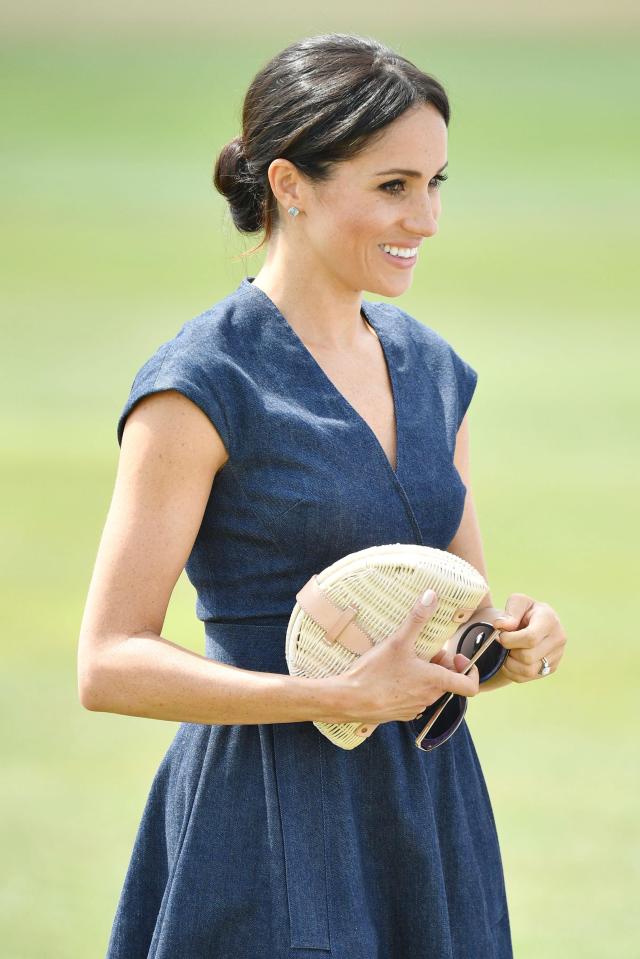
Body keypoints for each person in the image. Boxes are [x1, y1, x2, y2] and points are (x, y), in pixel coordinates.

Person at [77, 32, 567, 959]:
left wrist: (513, 642)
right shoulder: (200, 385)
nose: (424, 219)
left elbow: (454, 630)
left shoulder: (433, 371)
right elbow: (107, 662)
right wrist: (333, 692)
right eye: (392, 186)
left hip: (425, 811)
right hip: (261, 818)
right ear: (291, 184)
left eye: (436, 184)